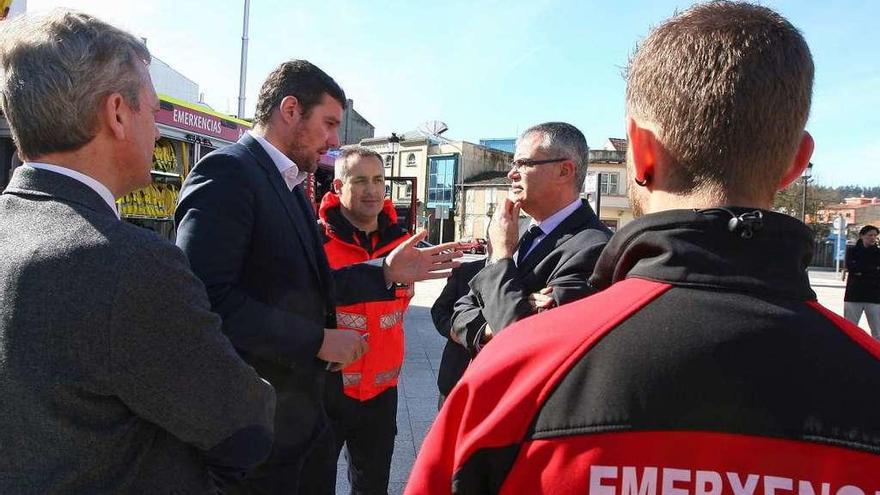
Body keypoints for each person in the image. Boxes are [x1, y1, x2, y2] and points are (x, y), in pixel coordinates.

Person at [406, 3, 880, 493]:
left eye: (525, 164)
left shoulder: (515, 375)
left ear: (641, 151)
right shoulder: (868, 377)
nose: (513, 176)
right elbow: (452, 307)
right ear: (797, 162)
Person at [0, 11, 276, 494]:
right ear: (117, 114)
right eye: (153, 112)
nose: (158, 132)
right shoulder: (127, 263)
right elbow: (241, 427)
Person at [175, 60, 459, 494]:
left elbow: (307, 285)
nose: (332, 140)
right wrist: (318, 340)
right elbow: (204, 301)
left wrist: (382, 272)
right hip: (256, 427)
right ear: (290, 110)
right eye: (328, 124)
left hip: (299, 421)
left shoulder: (286, 183)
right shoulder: (228, 173)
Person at [450, 122, 612, 353]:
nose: (511, 173)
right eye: (514, 163)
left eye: (524, 163)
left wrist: (501, 256)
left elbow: (517, 340)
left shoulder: (595, 248)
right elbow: (460, 311)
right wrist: (488, 330)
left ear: (564, 171)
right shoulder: (520, 231)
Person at [316, 147, 413, 494]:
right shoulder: (316, 241)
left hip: (381, 395)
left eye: (378, 180)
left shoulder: (401, 245)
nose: (372, 190)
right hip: (326, 391)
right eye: (360, 181)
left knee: (373, 488)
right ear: (339, 185)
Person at [432, 259, 485, 409]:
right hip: (456, 373)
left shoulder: (520, 275)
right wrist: (451, 330)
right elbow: (439, 309)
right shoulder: (465, 271)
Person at [844, 225, 880, 336]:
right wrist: (873, 269)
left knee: (877, 331)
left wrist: (861, 271)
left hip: (874, 296)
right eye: (870, 235)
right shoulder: (852, 251)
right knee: (849, 330)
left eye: (875, 235)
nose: (873, 238)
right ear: (862, 236)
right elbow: (852, 268)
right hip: (854, 295)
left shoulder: (878, 253)